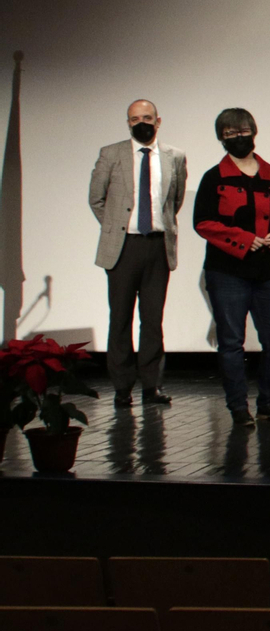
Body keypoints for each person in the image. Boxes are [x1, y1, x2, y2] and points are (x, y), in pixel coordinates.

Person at [192, 108, 270, 427]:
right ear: (221, 138)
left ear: (254, 131)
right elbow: (203, 222)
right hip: (227, 273)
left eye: (243, 131)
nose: (238, 138)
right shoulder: (214, 177)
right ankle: (239, 407)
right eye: (229, 133)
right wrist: (243, 239)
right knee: (232, 343)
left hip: (268, 272)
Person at [88, 99, 187, 408]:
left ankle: (151, 386)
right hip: (123, 246)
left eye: (146, 117)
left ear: (158, 121)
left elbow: (176, 200)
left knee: (152, 319)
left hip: (157, 246)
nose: (140, 122)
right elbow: (96, 199)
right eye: (134, 119)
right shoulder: (111, 154)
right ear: (127, 122)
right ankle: (121, 387)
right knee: (120, 318)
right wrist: (119, 226)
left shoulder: (175, 156)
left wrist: (159, 225)